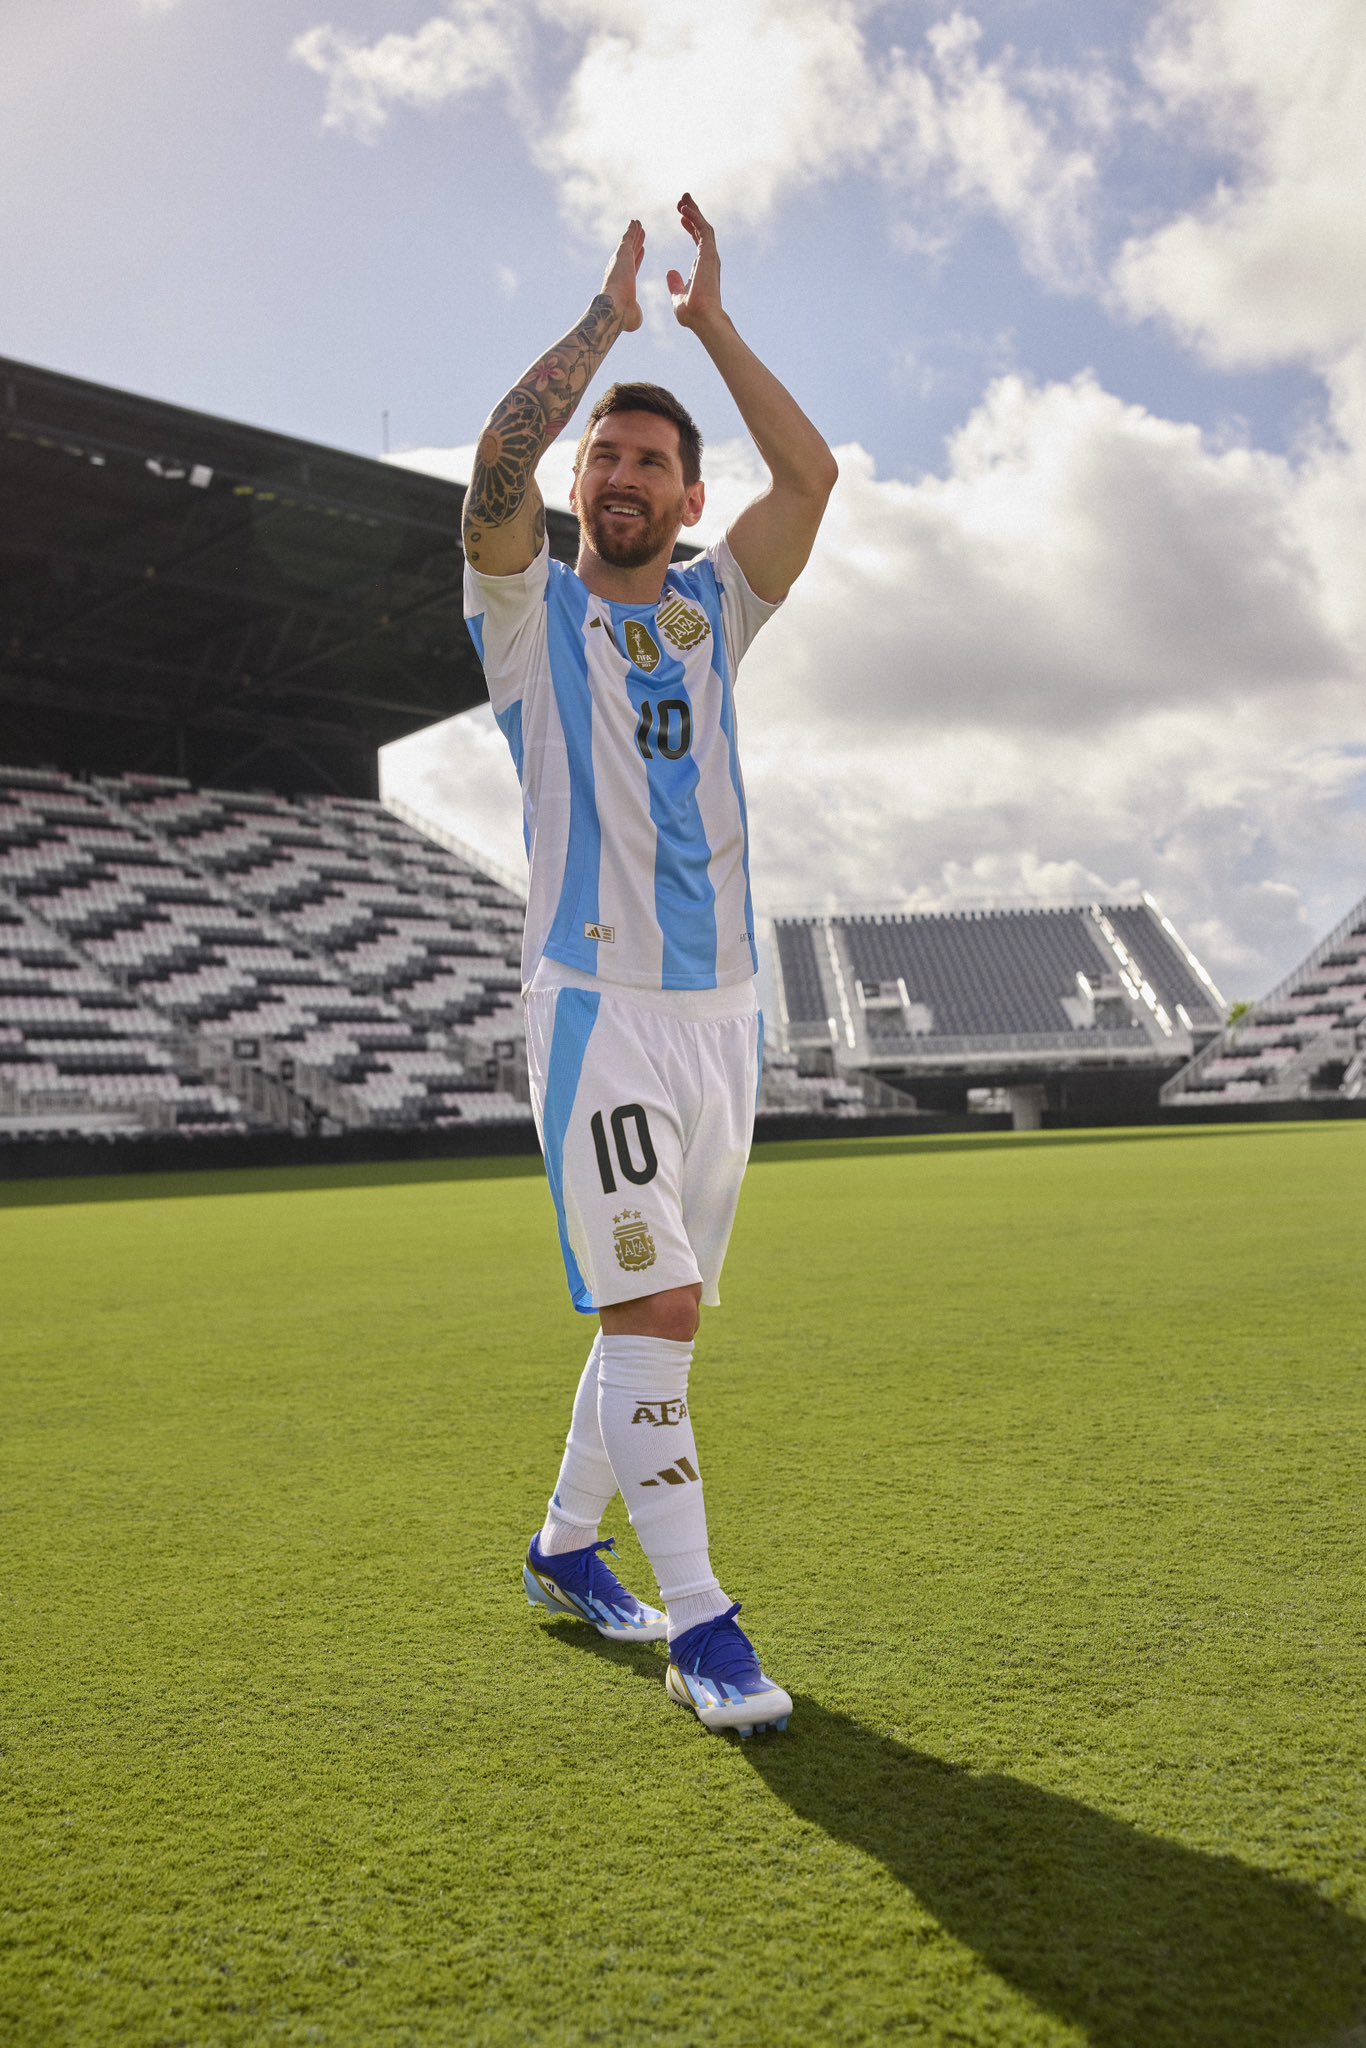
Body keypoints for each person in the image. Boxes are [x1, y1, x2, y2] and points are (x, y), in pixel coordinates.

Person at [462, 194, 836, 1735]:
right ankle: (703, 1628)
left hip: (721, 1017)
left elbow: (811, 477)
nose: (614, 476)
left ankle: (562, 1548)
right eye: (599, 458)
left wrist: (713, 331)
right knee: (657, 1317)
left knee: (654, 1306)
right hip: (594, 1007)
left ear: (686, 502)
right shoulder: (520, 609)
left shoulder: (712, 607)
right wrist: (606, 331)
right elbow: (493, 471)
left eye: (646, 464)